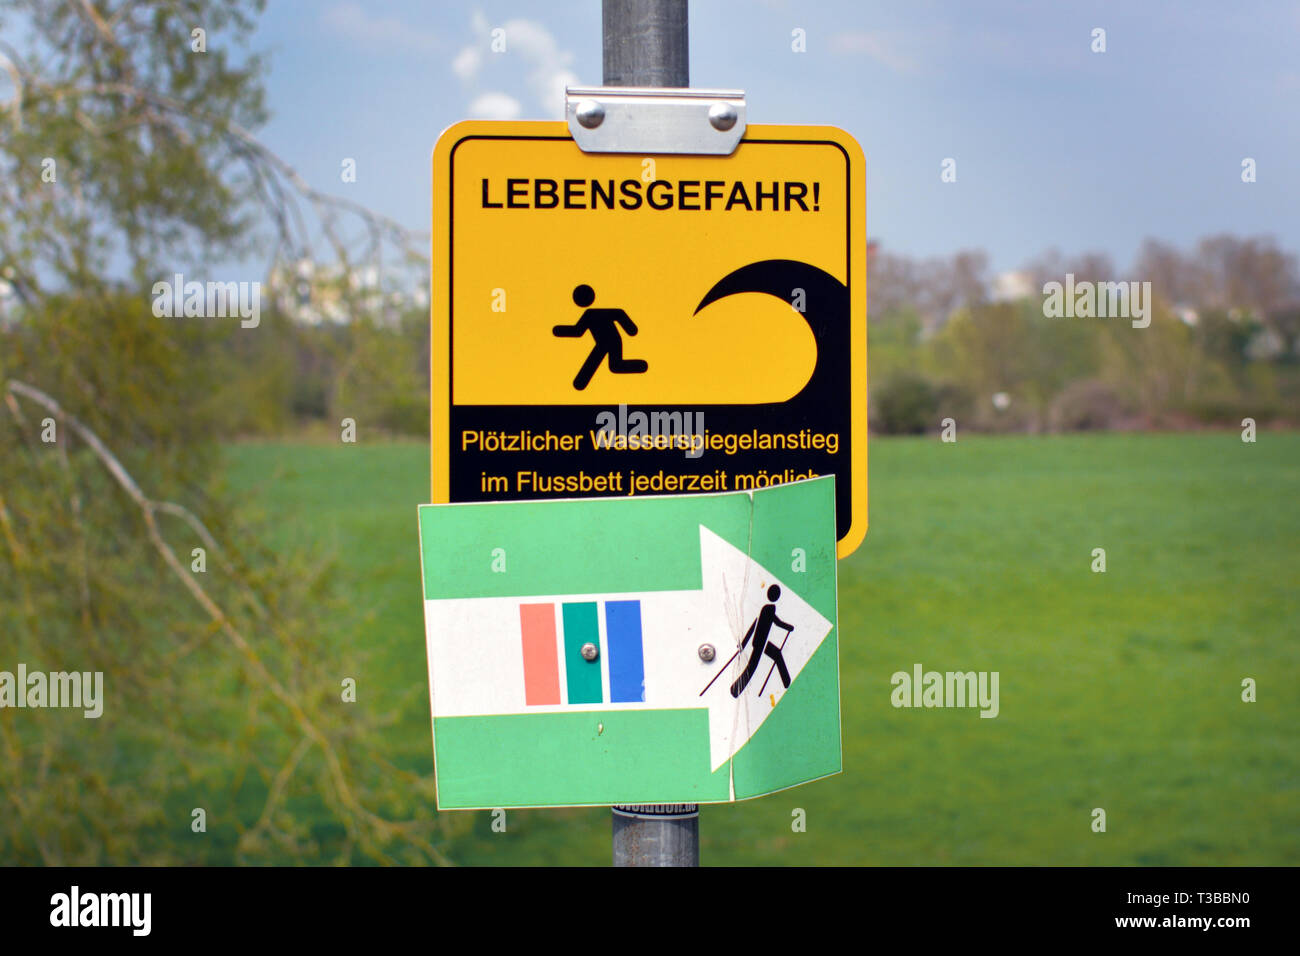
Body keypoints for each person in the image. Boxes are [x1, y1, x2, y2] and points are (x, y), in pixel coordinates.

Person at [552, 284, 648, 390]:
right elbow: (578, 331)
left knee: (614, 365)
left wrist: (630, 329)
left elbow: (619, 314)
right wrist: (558, 330)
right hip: (605, 342)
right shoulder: (590, 314)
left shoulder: (591, 314)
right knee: (614, 365)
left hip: (612, 341)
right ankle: (641, 365)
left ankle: (641, 366)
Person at [730, 585, 793, 698]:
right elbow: (776, 623)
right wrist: (789, 627)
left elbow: (755, 625)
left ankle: (786, 682)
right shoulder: (770, 609)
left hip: (760, 642)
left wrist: (744, 644)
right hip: (760, 643)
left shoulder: (766, 608)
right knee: (752, 667)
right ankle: (736, 689)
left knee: (771, 658)